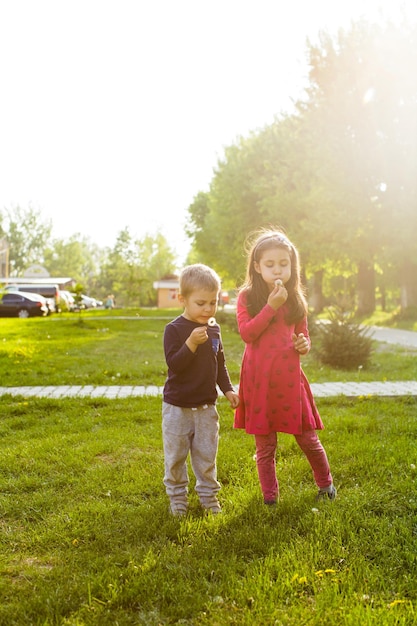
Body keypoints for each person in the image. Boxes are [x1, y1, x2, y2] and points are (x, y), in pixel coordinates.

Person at [234, 229, 336, 505]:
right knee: (265, 447)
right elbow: (247, 333)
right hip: (260, 381)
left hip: (290, 381)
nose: (277, 269)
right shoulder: (247, 298)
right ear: (257, 267)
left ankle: (326, 485)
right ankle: (270, 498)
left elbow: (303, 336)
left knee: (308, 439)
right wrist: (270, 306)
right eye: (270, 264)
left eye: (284, 264)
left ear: (293, 265)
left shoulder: (295, 299)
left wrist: (304, 344)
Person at [162, 263, 240, 516]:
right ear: (182, 299)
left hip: (207, 407)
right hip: (177, 407)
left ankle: (208, 496)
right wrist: (191, 343)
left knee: (206, 456)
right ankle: (177, 497)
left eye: (213, 302)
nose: (208, 309)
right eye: (201, 303)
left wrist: (227, 390)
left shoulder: (214, 329)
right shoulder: (173, 330)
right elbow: (176, 365)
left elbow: (220, 363)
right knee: (176, 456)